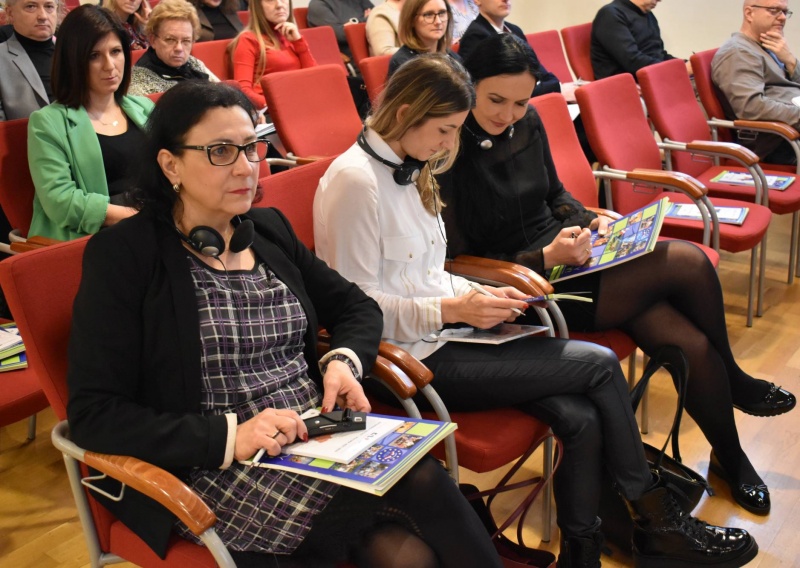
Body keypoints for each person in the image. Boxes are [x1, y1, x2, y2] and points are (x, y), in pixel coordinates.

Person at [313, 52, 760, 568]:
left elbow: (431, 270)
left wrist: (480, 295)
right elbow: (358, 309)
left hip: (449, 332)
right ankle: (657, 520)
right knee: (599, 364)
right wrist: (453, 307)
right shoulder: (356, 181)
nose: (448, 144)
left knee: (581, 416)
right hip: (410, 359)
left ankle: (582, 552)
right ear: (406, 112)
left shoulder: (411, 164)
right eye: (445, 130)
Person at [66, 78, 505, 568]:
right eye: (220, 151)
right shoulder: (125, 255)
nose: (245, 167)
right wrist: (231, 436)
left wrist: (343, 362)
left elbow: (357, 307)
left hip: (316, 430)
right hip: (214, 462)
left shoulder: (266, 230)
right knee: (408, 550)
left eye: (250, 147)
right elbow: (94, 414)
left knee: (426, 482)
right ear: (170, 164)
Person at [439, 33, 796, 521]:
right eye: (495, 100)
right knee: (685, 262)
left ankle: (730, 458)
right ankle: (734, 388)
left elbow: (555, 195)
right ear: (469, 86)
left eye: (520, 102)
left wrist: (590, 221)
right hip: (522, 285)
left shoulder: (529, 121)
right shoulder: (448, 144)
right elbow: (458, 258)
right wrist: (545, 256)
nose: (509, 114)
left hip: (568, 254)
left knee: (685, 338)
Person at [27, 5, 154, 241]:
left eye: (115, 51)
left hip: (151, 224)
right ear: (72, 61)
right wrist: (139, 217)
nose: (110, 65)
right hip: (92, 236)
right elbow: (61, 201)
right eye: (94, 56)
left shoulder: (144, 108)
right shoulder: (47, 122)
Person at [712, 0, 800, 165]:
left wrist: (790, 60)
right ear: (749, 13)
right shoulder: (738, 52)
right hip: (777, 143)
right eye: (774, 10)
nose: (782, 17)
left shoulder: (769, 46)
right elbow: (751, 107)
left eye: (784, 11)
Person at [456, 0, 560, 97]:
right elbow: (504, 92)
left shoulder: (515, 30)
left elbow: (543, 75)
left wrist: (553, 86)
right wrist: (553, 87)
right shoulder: (476, 37)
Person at [230, 0, 315, 111]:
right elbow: (243, 91)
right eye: (270, 0)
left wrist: (299, 42)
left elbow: (314, 78)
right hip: (273, 111)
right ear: (258, 6)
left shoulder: (291, 36)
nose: (279, 5)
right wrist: (279, 106)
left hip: (302, 104)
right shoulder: (248, 39)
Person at [129, 0, 220, 97]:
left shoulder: (194, 63)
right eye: (170, 40)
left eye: (186, 41)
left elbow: (223, 94)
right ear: (153, 40)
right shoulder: (139, 83)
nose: (179, 48)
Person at [591, 0, 691, 80]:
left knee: (698, 75)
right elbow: (632, 61)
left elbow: (659, 53)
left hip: (651, 77)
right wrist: (677, 70)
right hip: (626, 86)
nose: (660, 0)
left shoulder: (648, 14)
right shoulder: (611, 14)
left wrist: (683, 64)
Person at [0, 0, 56, 121]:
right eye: (31, 6)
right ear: (10, 13)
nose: (43, 16)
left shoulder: (75, 53)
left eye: (49, 6)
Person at [387, 0, 457, 77]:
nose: (438, 21)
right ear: (411, 20)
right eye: (428, 15)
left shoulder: (451, 57)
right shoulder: (403, 63)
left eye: (442, 13)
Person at [307, 0, 373, 61]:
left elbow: (376, 20)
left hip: (372, 45)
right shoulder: (318, 4)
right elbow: (340, 35)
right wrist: (364, 20)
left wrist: (353, 24)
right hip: (352, 57)